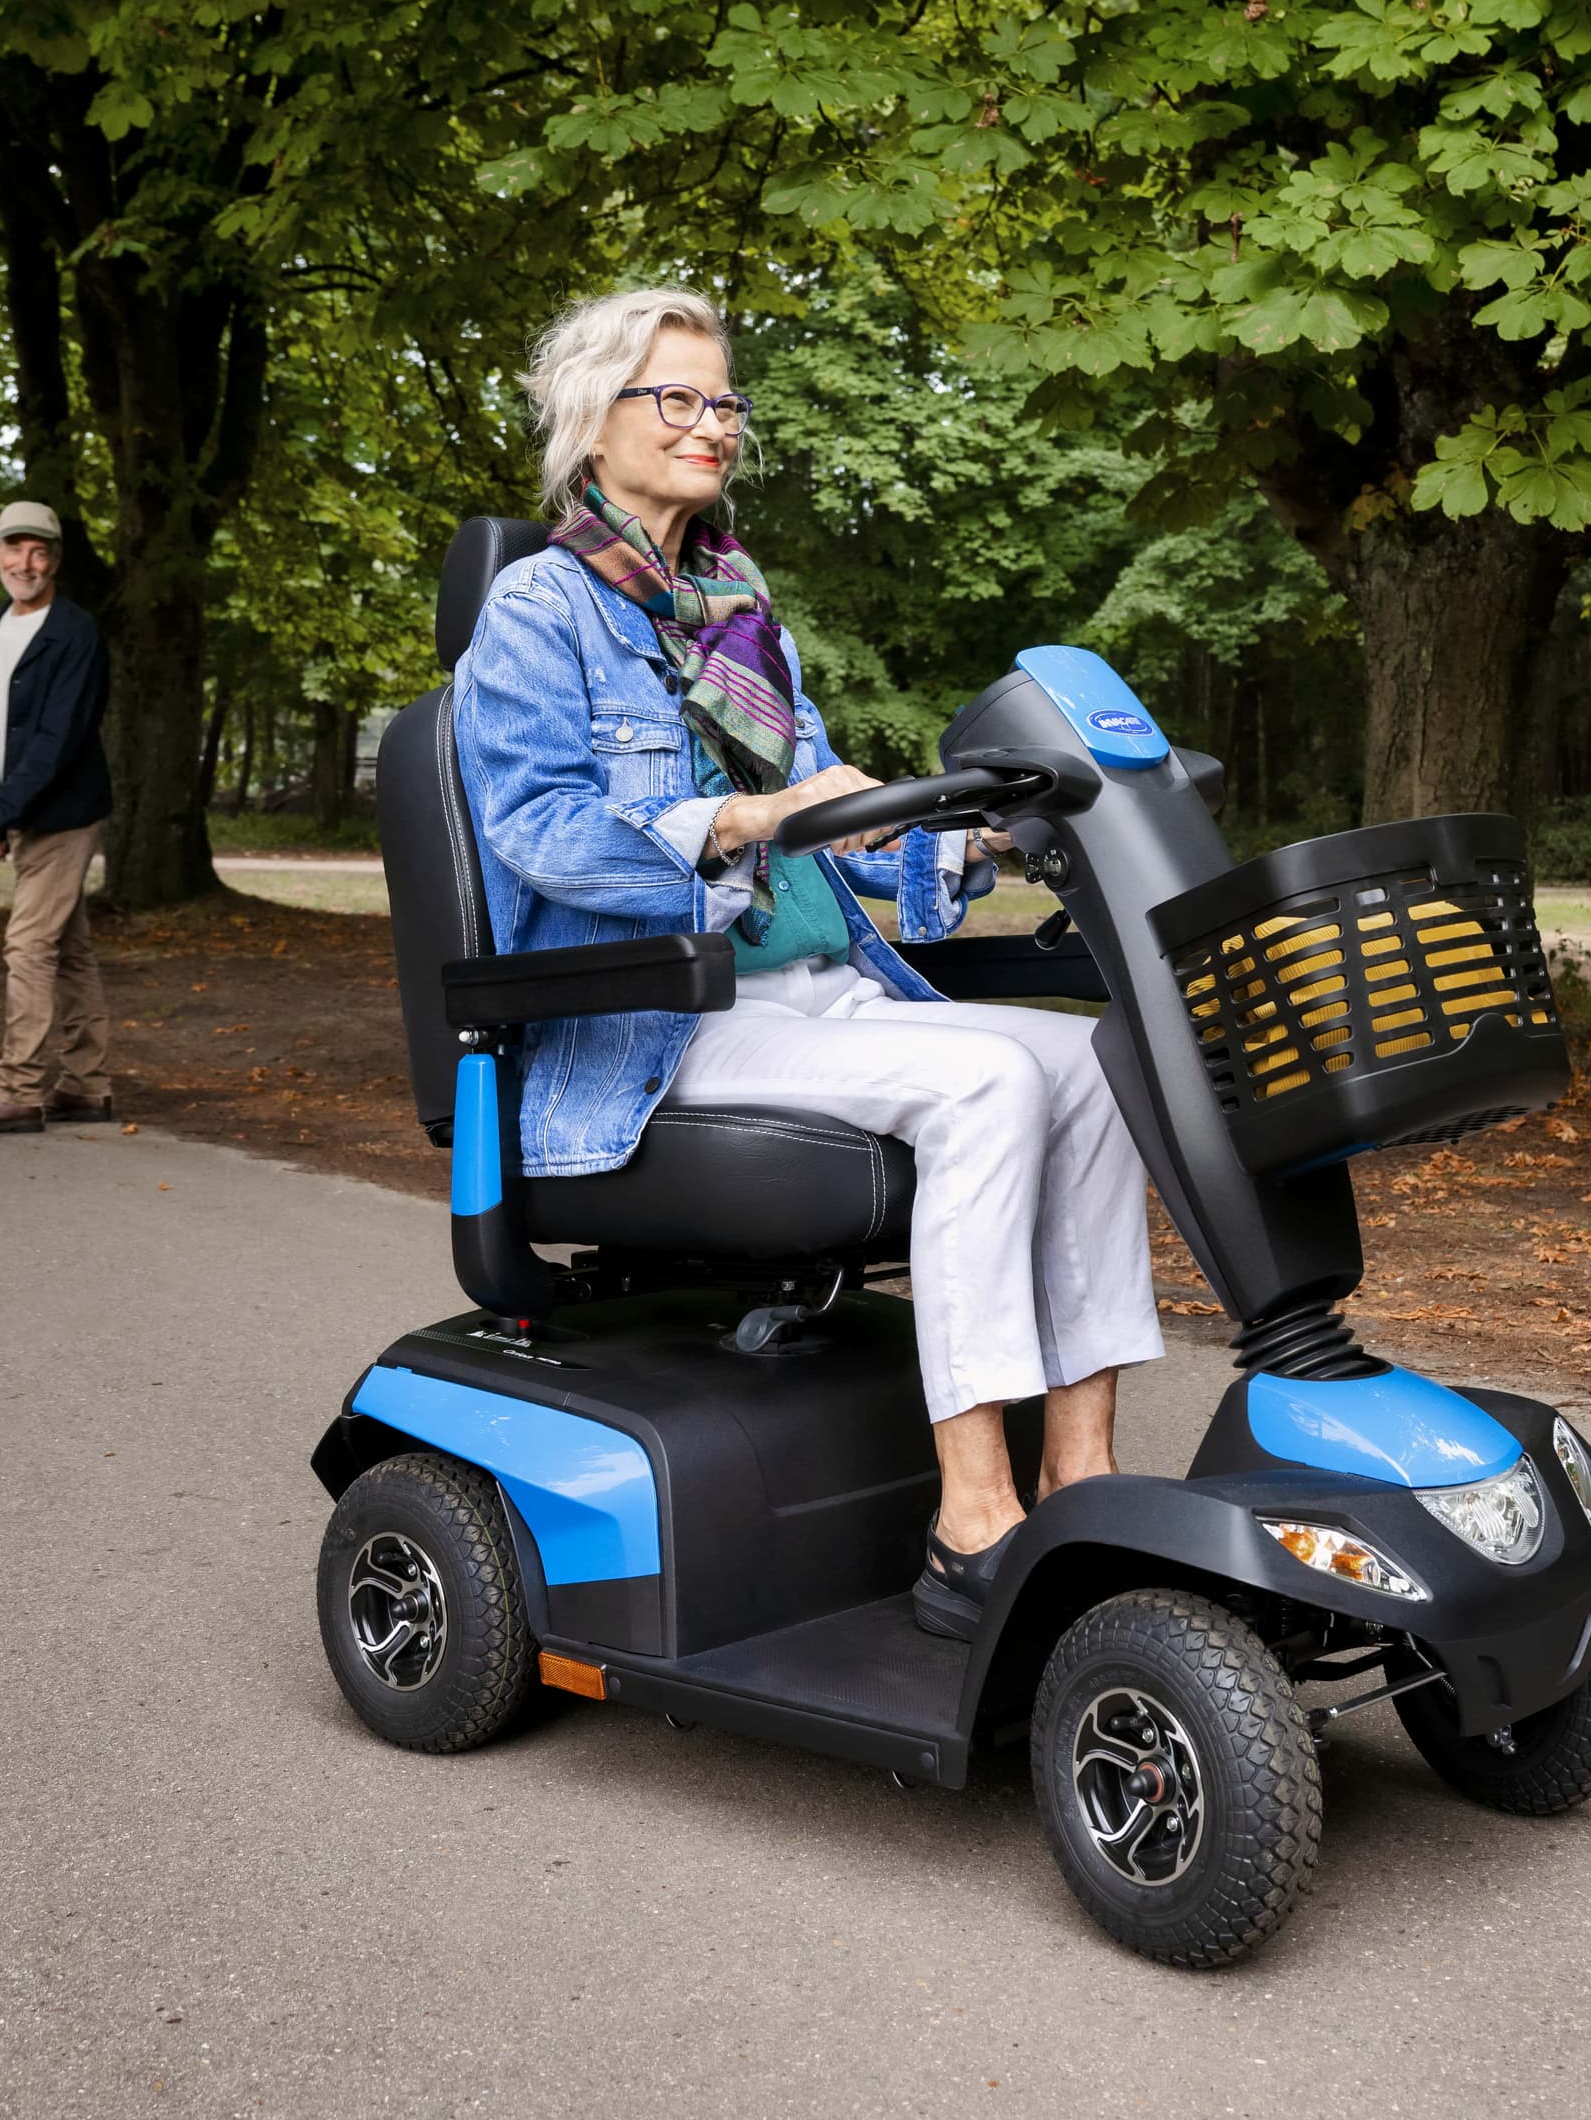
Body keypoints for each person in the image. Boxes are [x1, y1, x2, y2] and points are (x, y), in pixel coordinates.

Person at [453, 287, 1162, 1638]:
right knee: (987, 1086)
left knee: (1094, 1059)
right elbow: (539, 832)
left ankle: (1082, 1479)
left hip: (827, 998)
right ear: (593, 422)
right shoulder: (539, 610)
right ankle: (974, 1522)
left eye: (725, 401)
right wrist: (739, 818)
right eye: (679, 398)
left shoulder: (744, 617)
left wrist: (974, 842)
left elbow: (831, 829)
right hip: (662, 1026)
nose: (713, 424)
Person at [0, 501, 118, 1134]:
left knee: (29, 945)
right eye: (14, 549)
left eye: (39, 552)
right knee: (68, 950)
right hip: (26, 811)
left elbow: (57, 740)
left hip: (66, 813)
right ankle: (87, 1086)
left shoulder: (76, 633)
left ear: (55, 561)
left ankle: (17, 1091)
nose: (25, 563)